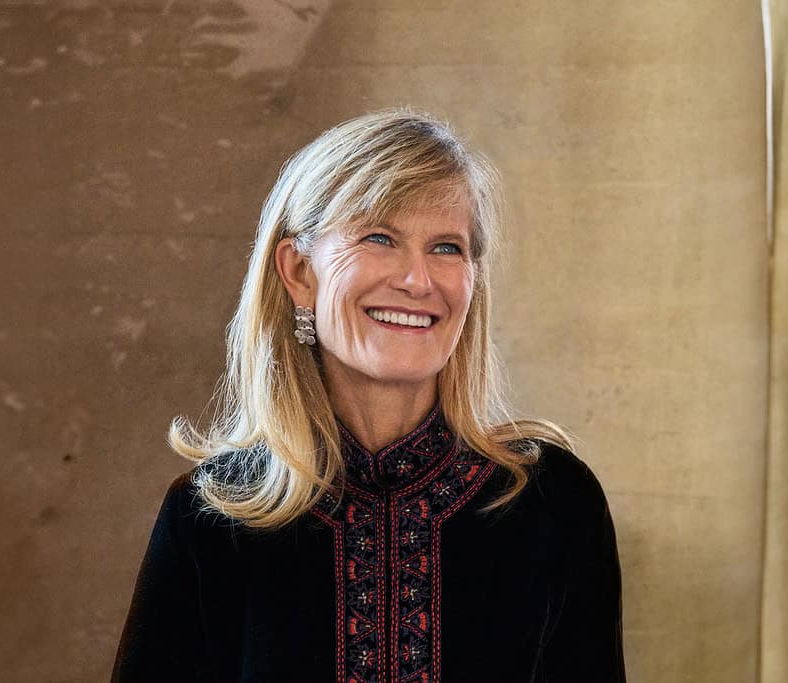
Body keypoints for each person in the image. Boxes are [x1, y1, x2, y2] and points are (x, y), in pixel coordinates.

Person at [111, 109, 626, 682]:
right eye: (380, 238)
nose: (417, 280)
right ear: (300, 271)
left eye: (447, 248)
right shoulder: (208, 517)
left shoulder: (555, 503)